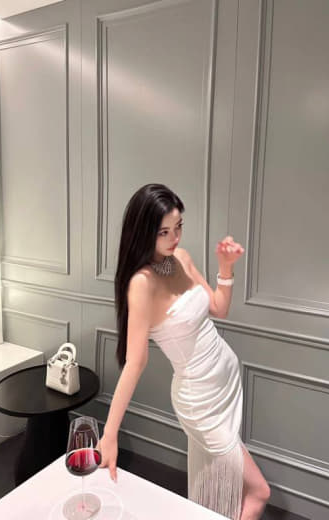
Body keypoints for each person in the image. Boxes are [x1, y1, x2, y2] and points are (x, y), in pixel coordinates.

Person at [99, 184, 271, 520]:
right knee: (258, 491)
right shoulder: (142, 284)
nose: (174, 238)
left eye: (178, 227)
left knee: (232, 487)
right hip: (199, 399)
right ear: (143, 232)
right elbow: (135, 363)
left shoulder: (181, 258)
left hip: (224, 385)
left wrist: (225, 267)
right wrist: (109, 433)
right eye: (163, 232)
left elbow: (219, 308)